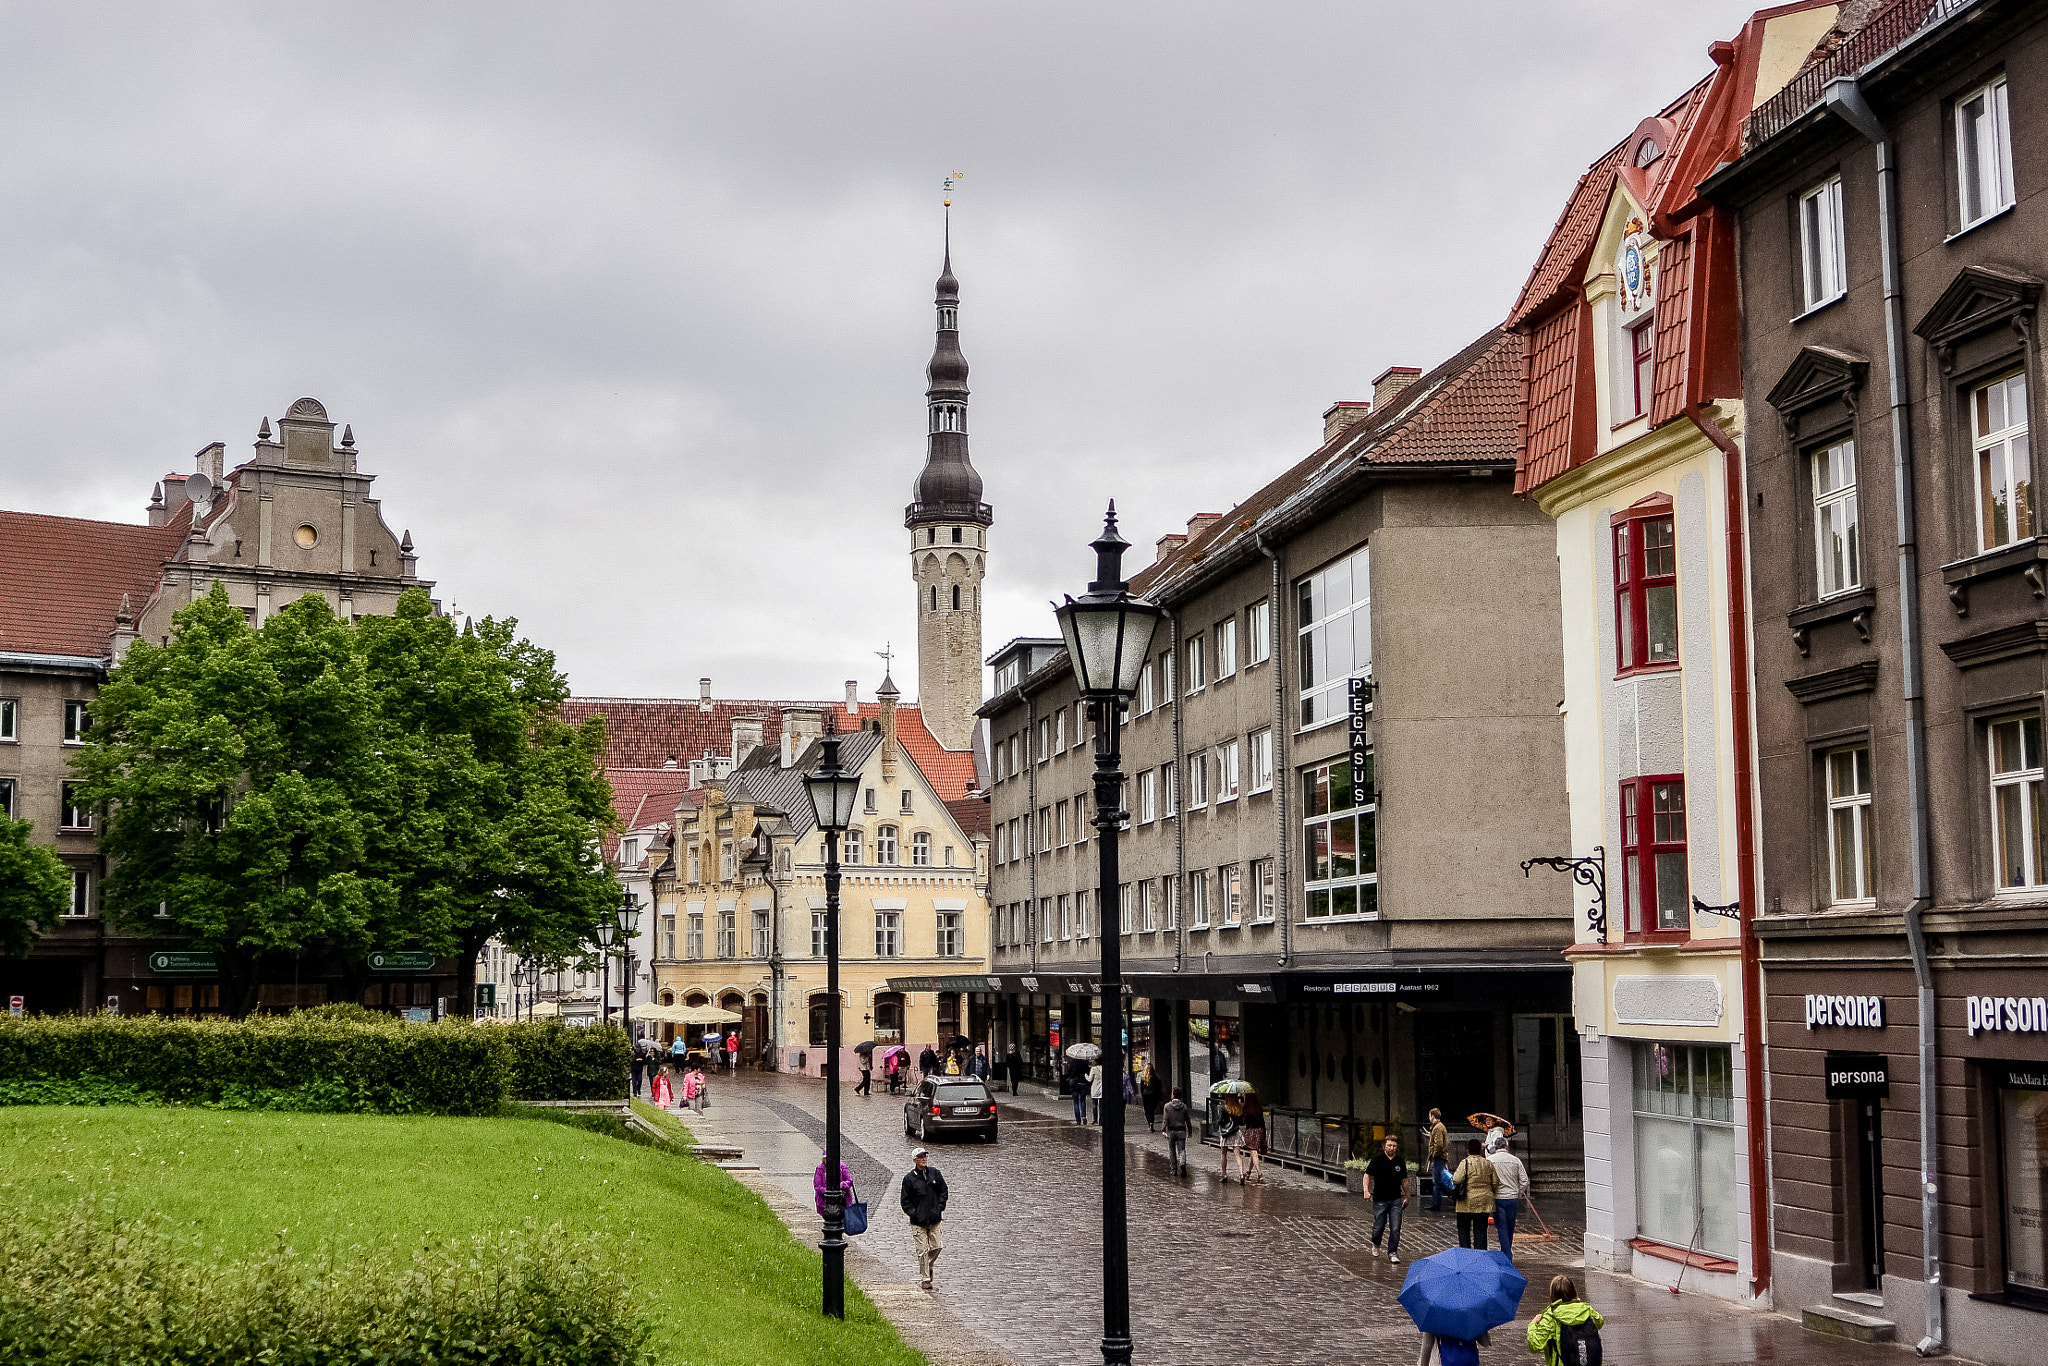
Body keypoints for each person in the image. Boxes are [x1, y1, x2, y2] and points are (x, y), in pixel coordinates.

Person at [1525, 1275, 1603, 1366]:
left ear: (1553, 1294)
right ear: (1573, 1291)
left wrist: (1533, 1324)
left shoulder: (1550, 1316)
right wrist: (1577, 1305)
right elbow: (1599, 1321)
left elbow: (1535, 1345)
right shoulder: (1586, 1309)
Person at [900, 1147, 949, 1291]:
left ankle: (928, 1265)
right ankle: (925, 1278)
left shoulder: (935, 1174)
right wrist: (914, 1214)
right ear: (915, 1160)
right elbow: (905, 1201)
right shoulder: (909, 1179)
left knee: (937, 1246)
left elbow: (943, 1191)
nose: (924, 1159)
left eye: (925, 1156)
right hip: (918, 1222)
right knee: (922, 1251)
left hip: (935, 1219)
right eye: (921, 1157)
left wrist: (939, 1208)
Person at [1364, 1135, 1412, 1263]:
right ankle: (1376, 1243)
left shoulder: (1400, 1162)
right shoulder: (1377, 1160)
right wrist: (1366, 1190)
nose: (1392, 1148)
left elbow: (1404, 1180)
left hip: (1395, 1199)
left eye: (1394, 1146)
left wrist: (1407, 1196)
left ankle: (1393, 1252)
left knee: (1395, 1227)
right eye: (1389, 1145)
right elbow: (1367, 1175)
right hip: (1380, 1199)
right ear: (1384, 1146)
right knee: (1379, 1226)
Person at [1487, 1128, 1531, 1263]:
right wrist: (1518, 1192)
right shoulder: (1515, 1160)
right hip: (1512, 1198)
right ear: (1506, 1146)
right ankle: (1507, 1251)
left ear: (1495, 1147)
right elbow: (1524, 1180)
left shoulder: (1490, 1160)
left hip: (1498, 1198)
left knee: (1502, 1227)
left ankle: (1506, 1255)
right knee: (1510, 1226)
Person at [1452, 1138, 1499, 1249]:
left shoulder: (1465, 1163)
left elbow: (1456, 1179)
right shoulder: (1487, 1163)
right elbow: (1496, 1182)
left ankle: (1466, 1255)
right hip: (1484, 1202)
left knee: (1463, 1229)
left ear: (1468, 1150)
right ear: (1480, 1150)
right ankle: (1480, 1255)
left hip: (1466, 1202)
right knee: (1481, 1230)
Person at [1161, 1086, 1192, 1177]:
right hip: (1181, 1131)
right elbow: (1188, 1120)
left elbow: (1165, 1119)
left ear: (1173, 1095)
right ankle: (1182, 1164)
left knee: (1172, 1150)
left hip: (1171, 1131)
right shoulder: (1184, 1107)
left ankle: (1174, 1169)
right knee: (1182, 1150)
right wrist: (1190, 1131)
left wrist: (1163, 1130)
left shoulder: (1167, 1106)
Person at [1237, 1089, 1266, 1184]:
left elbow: (1242, 1122)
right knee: (1254, 1154)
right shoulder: (1259, 1108)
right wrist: (1264, 1136)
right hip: (1260, 1131)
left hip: (1251, 1131)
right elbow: (1263, 1122)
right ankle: (1248, 1173)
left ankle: (1260, 1174)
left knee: (1253, 1152)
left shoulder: (1246, 1109)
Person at [814, 1149, 853, 1218]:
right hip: (823, 1203)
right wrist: (829, 1192)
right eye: (826, 1159)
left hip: (842, 1201)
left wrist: (841, 1185)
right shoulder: (820, 1169)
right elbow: (817, 1186)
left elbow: (849, 1181)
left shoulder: (842, 1166)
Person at [1426, 1108, 1451, 1212]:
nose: (1429, 1117)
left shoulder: (1438, 1128)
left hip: (1438, 1157)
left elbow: (1438, 1144)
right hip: (1439, 1157)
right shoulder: (1438, 1127)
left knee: (1437, 1181)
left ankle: (1451, 1195)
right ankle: (1439, 1202)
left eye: (1429, 1115)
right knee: (1439, 1181)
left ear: (1433, 1116)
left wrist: (1434, 1154)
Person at [1066, 1055, 1090, 1125]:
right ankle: (1083, 1115)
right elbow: (1087, 1073)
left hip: (1074, 1085)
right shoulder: (1085, 1063)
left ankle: (1078, 1120)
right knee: (1083, 1101)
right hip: (1083, 1084)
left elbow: (1069, 1073)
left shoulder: (1072, 1063)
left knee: (1076, 1102)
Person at [1139, 1058, 1160, 1131]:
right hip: (1153, 1095)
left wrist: (1142, 1095)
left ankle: (1149, 1123)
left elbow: (1141, 1088)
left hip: (1146, 1095)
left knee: (1147, 1110)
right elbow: (1159, 1086)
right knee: (1151, 1110)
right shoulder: (1155, 1077)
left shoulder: (1143, 1078)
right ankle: (1152, 1122)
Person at [1087, 1060, 1104, 1124]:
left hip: (1095, 1088)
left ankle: (1095, 1120)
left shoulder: (1093, 1069)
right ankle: (1101, 1120)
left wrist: (1085, 1075)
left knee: (1094, 1105)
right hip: (1102, 1089)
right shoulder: (1104, 1068)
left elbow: (1089, 1079)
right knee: (1101, 1106)